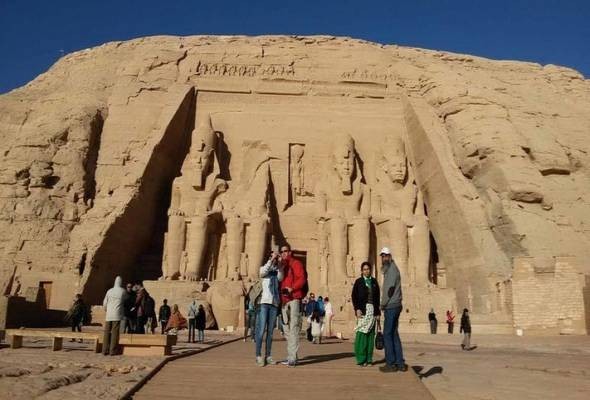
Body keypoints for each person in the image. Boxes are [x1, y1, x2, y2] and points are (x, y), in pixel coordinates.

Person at [378, 247, 407, 372]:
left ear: (390, 256)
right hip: (396, 305)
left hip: (391, 305)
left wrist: (382, 305)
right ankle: (400, 362)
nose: (384, 258)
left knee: (387, 335)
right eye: (382, 256)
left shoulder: (391, 270)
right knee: (394, 334)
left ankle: (390, 363)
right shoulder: (391, 269)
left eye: (386, 256)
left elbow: (389, 290)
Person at [279, 244, 307, 367]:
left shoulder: (296, 264)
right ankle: (291, 355)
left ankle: (292, 358)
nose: (284, 253)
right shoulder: (282, 266)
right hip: (284, 300)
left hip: (294, 298)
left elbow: (302, 279)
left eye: (285, 251)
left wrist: (292, 288)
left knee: (294, 327)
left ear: (290, 252)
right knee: (285, 328)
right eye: (282, 251)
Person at [255, 249, 283, 366]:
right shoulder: (264, 269)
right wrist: (271, 260)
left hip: (274, 303)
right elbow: (263, 272)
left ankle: (268, 355)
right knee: (261, 331)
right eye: (273, 257)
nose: (275, 259)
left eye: (276, 257)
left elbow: (281, 278)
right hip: (264, 302)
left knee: (270, 333)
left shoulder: (277, 271)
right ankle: (258, 355)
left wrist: (280, 264)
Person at [351, 261, 381, 366]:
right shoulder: (358, 282)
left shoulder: (374, 282)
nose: (366, 271)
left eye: (368, 269)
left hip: (372, 310)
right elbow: (354, 296)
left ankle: (369, 358)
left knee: (370, 334)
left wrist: (378, 313)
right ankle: (361, 358)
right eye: (364, 269)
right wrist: (357, 309)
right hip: (362, 310)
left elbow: (377, 298)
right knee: (362, 333)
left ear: (370, 270)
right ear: (362, 271)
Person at [102, 276, 128, 356]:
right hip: (117, 314)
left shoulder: (109, 291)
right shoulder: (122, 291)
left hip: (109, 314)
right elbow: (126, 299)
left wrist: (106, 310)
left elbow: (104, 303)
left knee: (106, 332)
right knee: (115, 333)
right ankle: (112, 350)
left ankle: (104, 350)